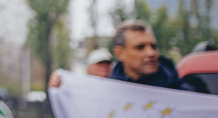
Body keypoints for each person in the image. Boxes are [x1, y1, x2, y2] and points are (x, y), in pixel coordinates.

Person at [49, 20, 197, 92]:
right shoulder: (105, 96)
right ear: (120, 53)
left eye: (153, 46)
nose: (151, 53)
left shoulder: (186, 94)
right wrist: (60, 90)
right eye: (140, 47)